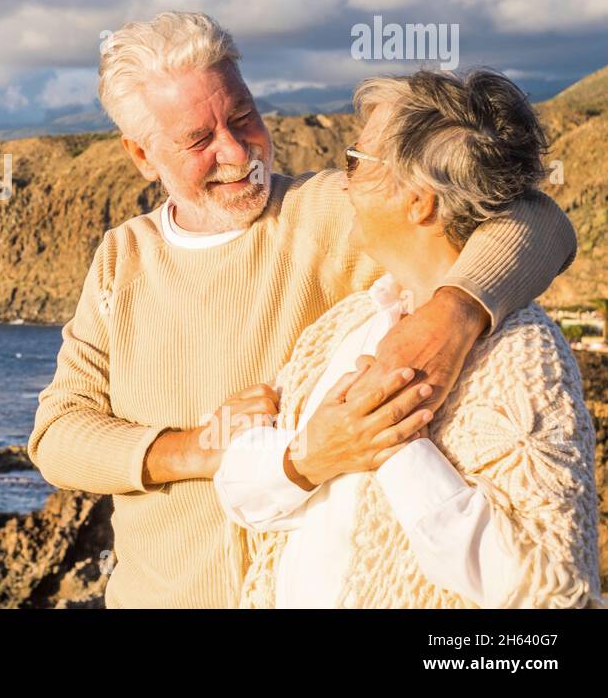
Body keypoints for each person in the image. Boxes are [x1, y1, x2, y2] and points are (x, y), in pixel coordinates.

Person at [27, 11, 577, 608]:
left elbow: (538, 219)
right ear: (141, 154)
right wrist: (196, 448)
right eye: (198, 140)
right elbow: (57, 435)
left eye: (242, 118)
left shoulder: (338, 207)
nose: (236, 152)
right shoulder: (121, 258)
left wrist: (456, 312)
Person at [215, 69, 600, 608]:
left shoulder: (522, 359)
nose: (340, 178)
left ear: (420, 200)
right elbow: (239, 488)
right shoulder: (343, 327)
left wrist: (392, 442)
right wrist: (311, 457)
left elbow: (553, 595)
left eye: (354, 159)